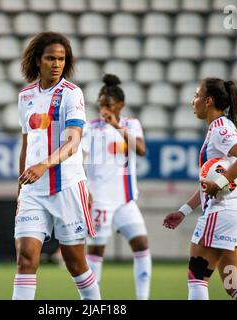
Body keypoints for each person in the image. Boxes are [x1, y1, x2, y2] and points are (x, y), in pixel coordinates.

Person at [13, 32, 100, 300]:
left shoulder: (72, 94)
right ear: (37, 60)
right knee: (26, 258)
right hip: (33, 192)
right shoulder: (25, 96)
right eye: (51, 58)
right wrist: (21, 184)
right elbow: (26, 143)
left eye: (61, 59)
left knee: (76, 264)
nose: (57, 64)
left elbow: (73, 142)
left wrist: (43, 165)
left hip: (67, 187)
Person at [163, 78, 237, 300]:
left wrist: (220, 183)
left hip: (224, 212)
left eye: (196, 96)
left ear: (208, 101)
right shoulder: (222, 128)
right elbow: (208, 185)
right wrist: (183, 210)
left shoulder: (220, 129)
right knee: (235, 286)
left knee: (197, 278)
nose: (193, 102)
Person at [82, 74, 152, 300]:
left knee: (141, 245)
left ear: (120, 105)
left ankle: (142, 297)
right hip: (100, 199)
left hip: (125, 200)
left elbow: (141, 150)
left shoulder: (131, 125)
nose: (104, 109)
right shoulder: (89, 128)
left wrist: (117, 126)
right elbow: (80, 158)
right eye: (101, 105)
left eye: (108, 105)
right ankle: (93, 301)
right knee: (96, 251)